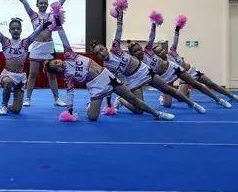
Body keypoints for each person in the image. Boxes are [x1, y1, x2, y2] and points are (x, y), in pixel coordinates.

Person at [44, 13, 174, 122]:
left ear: (57, 59)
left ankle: (157, 114)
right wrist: (69, 110)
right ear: (57, 72)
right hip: (95, 87)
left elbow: (63, 38)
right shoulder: (67, 77)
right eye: (55, 67)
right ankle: (90, 106)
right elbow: (70, 93)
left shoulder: (69, 55)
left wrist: (59, 24)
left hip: (107, 77)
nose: (58, 64)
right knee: (92, 117)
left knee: (133, 99)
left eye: (55, 62)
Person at [90, 6, 206, 114]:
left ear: (105, 48)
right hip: (132, 79)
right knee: (139, 110)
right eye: (98, 53)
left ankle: (193, 105)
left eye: (101, 50)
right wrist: (109, 103)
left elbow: (119, 30)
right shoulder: (107, 65)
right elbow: (112, 83)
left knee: (168, 89)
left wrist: (120, 16)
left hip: (144, 70)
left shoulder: (115, 48)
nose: (101, 53)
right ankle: (121, 100)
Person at [127, 13, 232, 109]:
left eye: (139, 49)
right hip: (164, 78)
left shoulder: (148, 51)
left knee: (196, 84)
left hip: (172, 68)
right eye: (135, 51)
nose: (138, 52)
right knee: (167, 104)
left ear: (142, 48)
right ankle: (164, 97)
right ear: (132, 54)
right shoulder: (137, 64)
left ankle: (218, 100)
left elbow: (152, 36)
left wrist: (154, 24)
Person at [10, 0, 81, 107]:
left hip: (48, 47)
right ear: (37, 5)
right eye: (40, 3)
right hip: (36, 47)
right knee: (32, 75)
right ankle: (28, 98)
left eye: (44, 3)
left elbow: (60, 2)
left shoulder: (51, 15)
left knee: (51, 75)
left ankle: (57, 99)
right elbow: (24, 3)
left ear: (47, 4)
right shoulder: (33, 15)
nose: (43, 5)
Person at [160, 16, 238, 104]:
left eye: (162, 50)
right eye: (160, 52)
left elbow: (175, 40)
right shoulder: (162, 64)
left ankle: (232, 96)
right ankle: (186, 93)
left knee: (211, 84)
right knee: (181, 99)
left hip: (191, 71)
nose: (162, 51)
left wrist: (177, 29)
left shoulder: (172, 52)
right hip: (184, 77)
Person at [0, 17, 53, 115]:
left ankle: (8, 106)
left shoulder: (25, 42)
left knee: (16, 110)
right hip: (7, 74)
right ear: (9, 30)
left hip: (20, 78)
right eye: (13, 28)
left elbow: (36, 32)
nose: (15, 30)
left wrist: (45, 25)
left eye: (18, 28)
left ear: (21, 30)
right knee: (8, 82)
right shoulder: (5, 41)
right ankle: (4, 105)